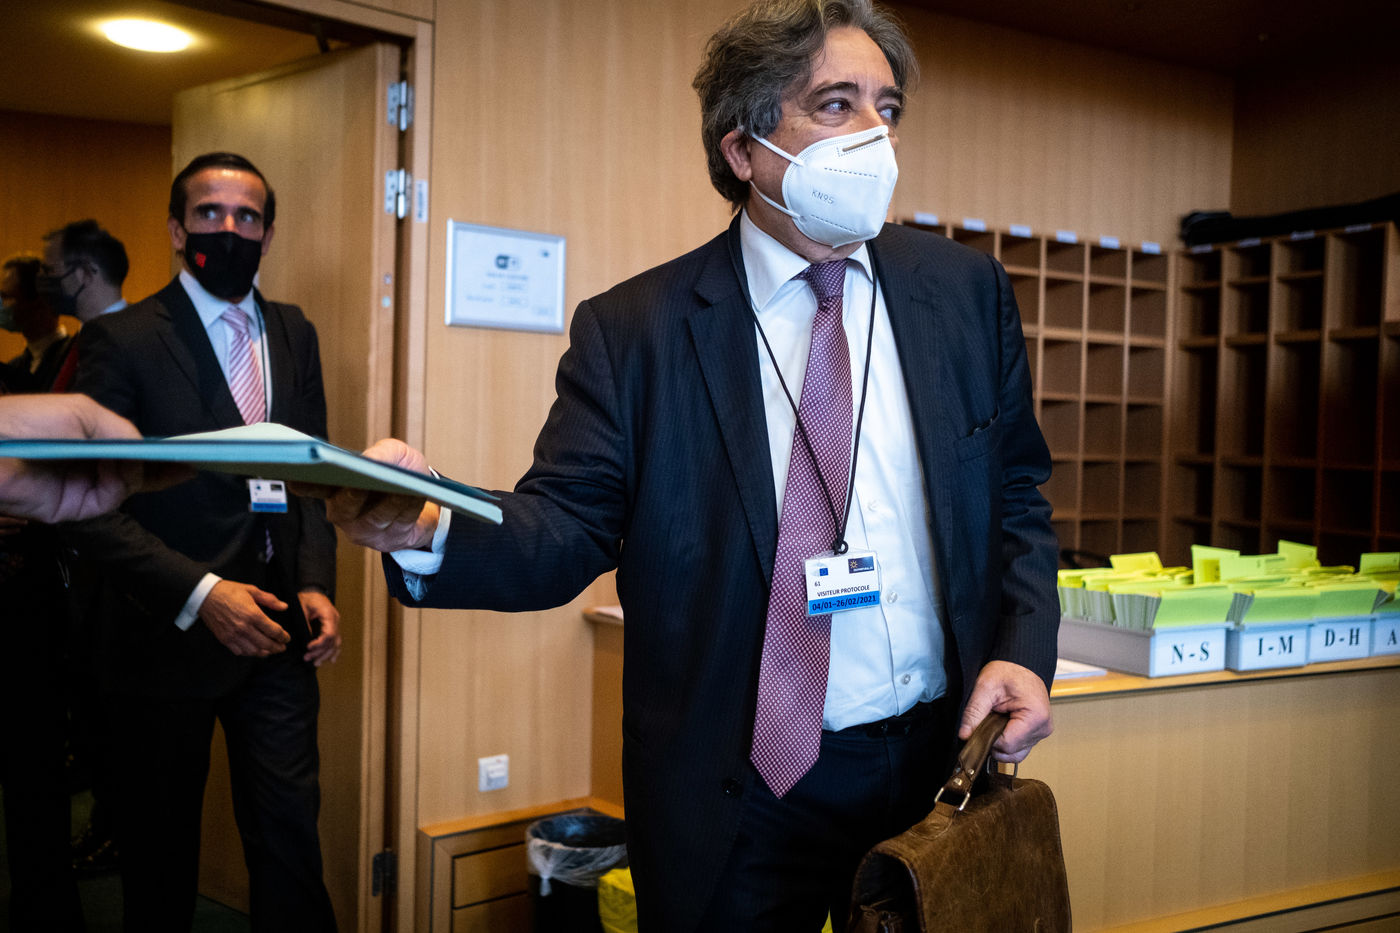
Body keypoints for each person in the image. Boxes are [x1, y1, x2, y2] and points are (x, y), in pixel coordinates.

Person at [326, 1, 1059, 929]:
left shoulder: (964, 292)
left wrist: (1023, 647)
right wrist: (427, 521)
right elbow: (566, 526)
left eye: (888, 107)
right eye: (835, 105)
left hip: (938, 762)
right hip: (738, 787)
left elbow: (1015, 491)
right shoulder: (636, 329)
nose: (874, 135)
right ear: (743, 149)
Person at [67, 152, 341, 932]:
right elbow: (86, 506)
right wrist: (201, 592)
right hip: (162, 633)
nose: (229, 229)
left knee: (291, 845)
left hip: (279, 632)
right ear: (175, 228)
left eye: (247, 216)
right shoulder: (121, 339)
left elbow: (312, 474)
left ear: (268, 233)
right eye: (210, 213)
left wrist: (314, 581)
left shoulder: (293, 331)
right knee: (159, 862)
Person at [41, 219, 130, 393]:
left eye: (49, 270)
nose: (43, 279)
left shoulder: (135, 344)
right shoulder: (74, 345)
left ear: (85, 274)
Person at [2, 253, 72, 393]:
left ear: (41, 303)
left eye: (7, 297)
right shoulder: (17, 365)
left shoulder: (74, 362)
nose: (2, 305)